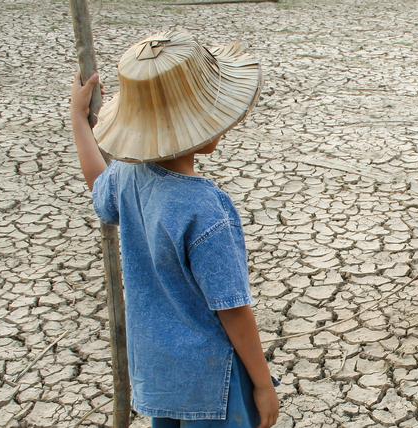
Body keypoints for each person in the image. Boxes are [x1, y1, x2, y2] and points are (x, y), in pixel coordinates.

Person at [68, 30, 279, 428]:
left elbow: (100, 187)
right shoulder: (204, 208)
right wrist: (263, 383)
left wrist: (78, 120)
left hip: (159, 374)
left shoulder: (128, 175)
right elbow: (231, 307)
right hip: (211, 380)